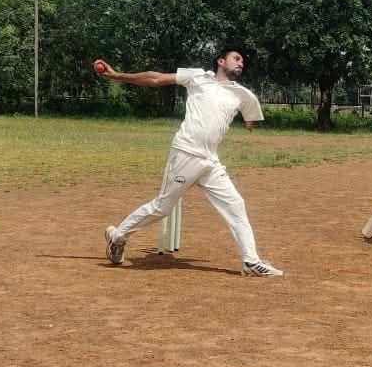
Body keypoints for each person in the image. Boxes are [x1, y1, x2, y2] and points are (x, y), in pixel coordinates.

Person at [98, 49, 283, 277]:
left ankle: (251, 262)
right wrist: (117, 75)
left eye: (243, 61)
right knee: (162, 208)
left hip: (210, 160)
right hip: (186, 152)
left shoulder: (243, 95)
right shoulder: (198, 77)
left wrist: (249, 122)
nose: (241, 63)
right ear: (221, 61)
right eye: (236, 59)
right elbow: (156, 78)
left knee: (236, 204)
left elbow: (250, 118)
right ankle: (118, 236)